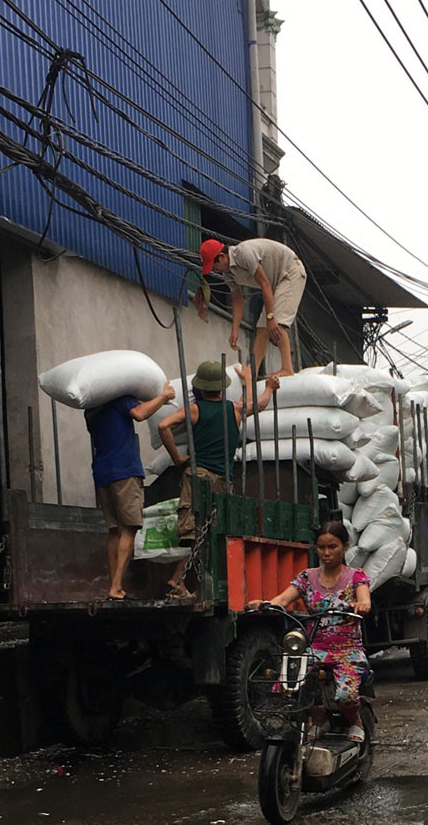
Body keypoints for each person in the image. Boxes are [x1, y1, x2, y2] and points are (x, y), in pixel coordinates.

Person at [158, 361, 280, 598]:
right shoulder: (234, 409)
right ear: (221, 388)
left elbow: (163, 425)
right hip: (224, 480)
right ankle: (182, 580)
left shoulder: (195, 410)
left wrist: (177, 458)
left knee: (194, 532)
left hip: (198, 475)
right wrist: (268, 387)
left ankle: (179, 579)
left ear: (200, 389)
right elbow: (262, 404)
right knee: (213, 533)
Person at [248, 520, 371, 742]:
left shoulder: (356, 577)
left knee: (346, 696)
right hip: (315, 647)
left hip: (348, 650)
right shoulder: (307, 577)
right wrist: (265, 604)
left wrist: (361, 605)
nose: (326, 552)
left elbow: (364, 599)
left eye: (332, 547)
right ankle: (319, 718)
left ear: (345, 546)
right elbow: (283, 599)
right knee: (292, 685)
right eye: (321, 547)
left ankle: (356, 721)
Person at [85, 382, 175, 600]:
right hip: (124, 470)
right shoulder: (120, 400)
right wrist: (164, 396)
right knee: (130, 527)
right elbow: (140, 413)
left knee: (114, 529)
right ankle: (116, 587)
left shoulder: (90, 411)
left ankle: (114, 585)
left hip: (102, 472)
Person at [199, 237, 307, 377]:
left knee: (277, 324)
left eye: (214, 266)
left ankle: (287, 368)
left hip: (290, 272)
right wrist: (235, 330)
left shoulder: (243, 253)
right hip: (274, 284)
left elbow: (264, 284)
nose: (215, 270)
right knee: (262, 329)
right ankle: (252, 372)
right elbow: (238, 300)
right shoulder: (228, 274)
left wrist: (270, 317)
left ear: (222, 257)